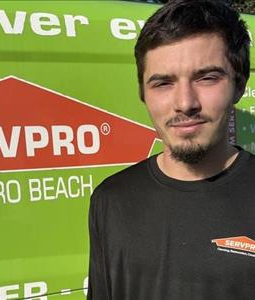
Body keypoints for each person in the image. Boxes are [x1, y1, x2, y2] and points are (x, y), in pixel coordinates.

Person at [87, 0, 255, 299]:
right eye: (163, 83)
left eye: (206, 78)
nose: (185, 102)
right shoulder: (111, 199)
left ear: (239, 85)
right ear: (143, 93)